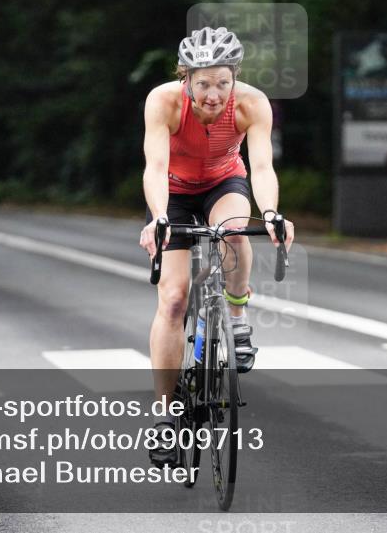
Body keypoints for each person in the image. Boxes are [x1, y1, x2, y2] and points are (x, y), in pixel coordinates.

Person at [138, 26, 294, 466]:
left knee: (234, 232)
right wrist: (161, 217)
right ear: (185, 77)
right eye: (203, 83)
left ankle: (238, 316)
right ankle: (165, 417)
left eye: (222, 82)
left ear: (235, 77)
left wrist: (272, 213)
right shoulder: (163, 101)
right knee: (172, 298)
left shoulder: (251, 103)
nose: (213, 94)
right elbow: (154, 164)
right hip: (173, 192)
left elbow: (261, 166)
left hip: (223, 181)